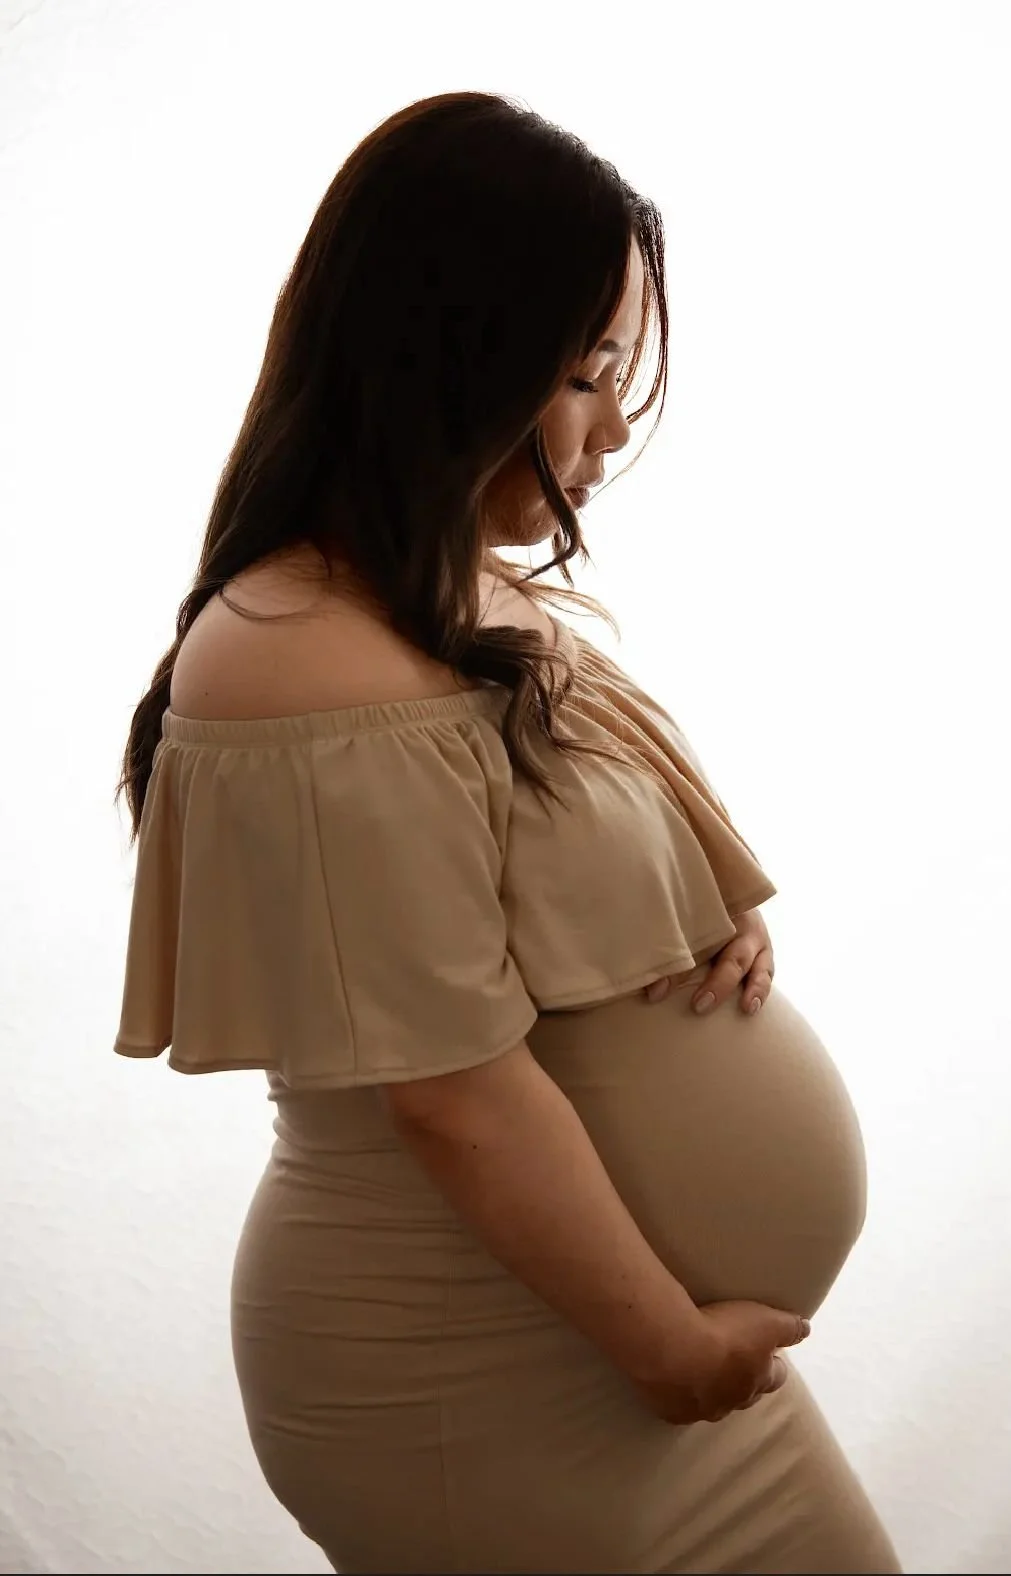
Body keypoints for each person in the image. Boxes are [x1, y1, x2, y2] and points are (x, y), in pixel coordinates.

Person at [113, 91, 902, 1575]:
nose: (613, 423)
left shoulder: (449, 593)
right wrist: (668, 1348)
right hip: (479, 1376)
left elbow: (532, 883)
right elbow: (452, 1095)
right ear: (451, 355)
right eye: (586, 370)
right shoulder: (296, 646)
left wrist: (696, 913)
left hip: (628, 1357)